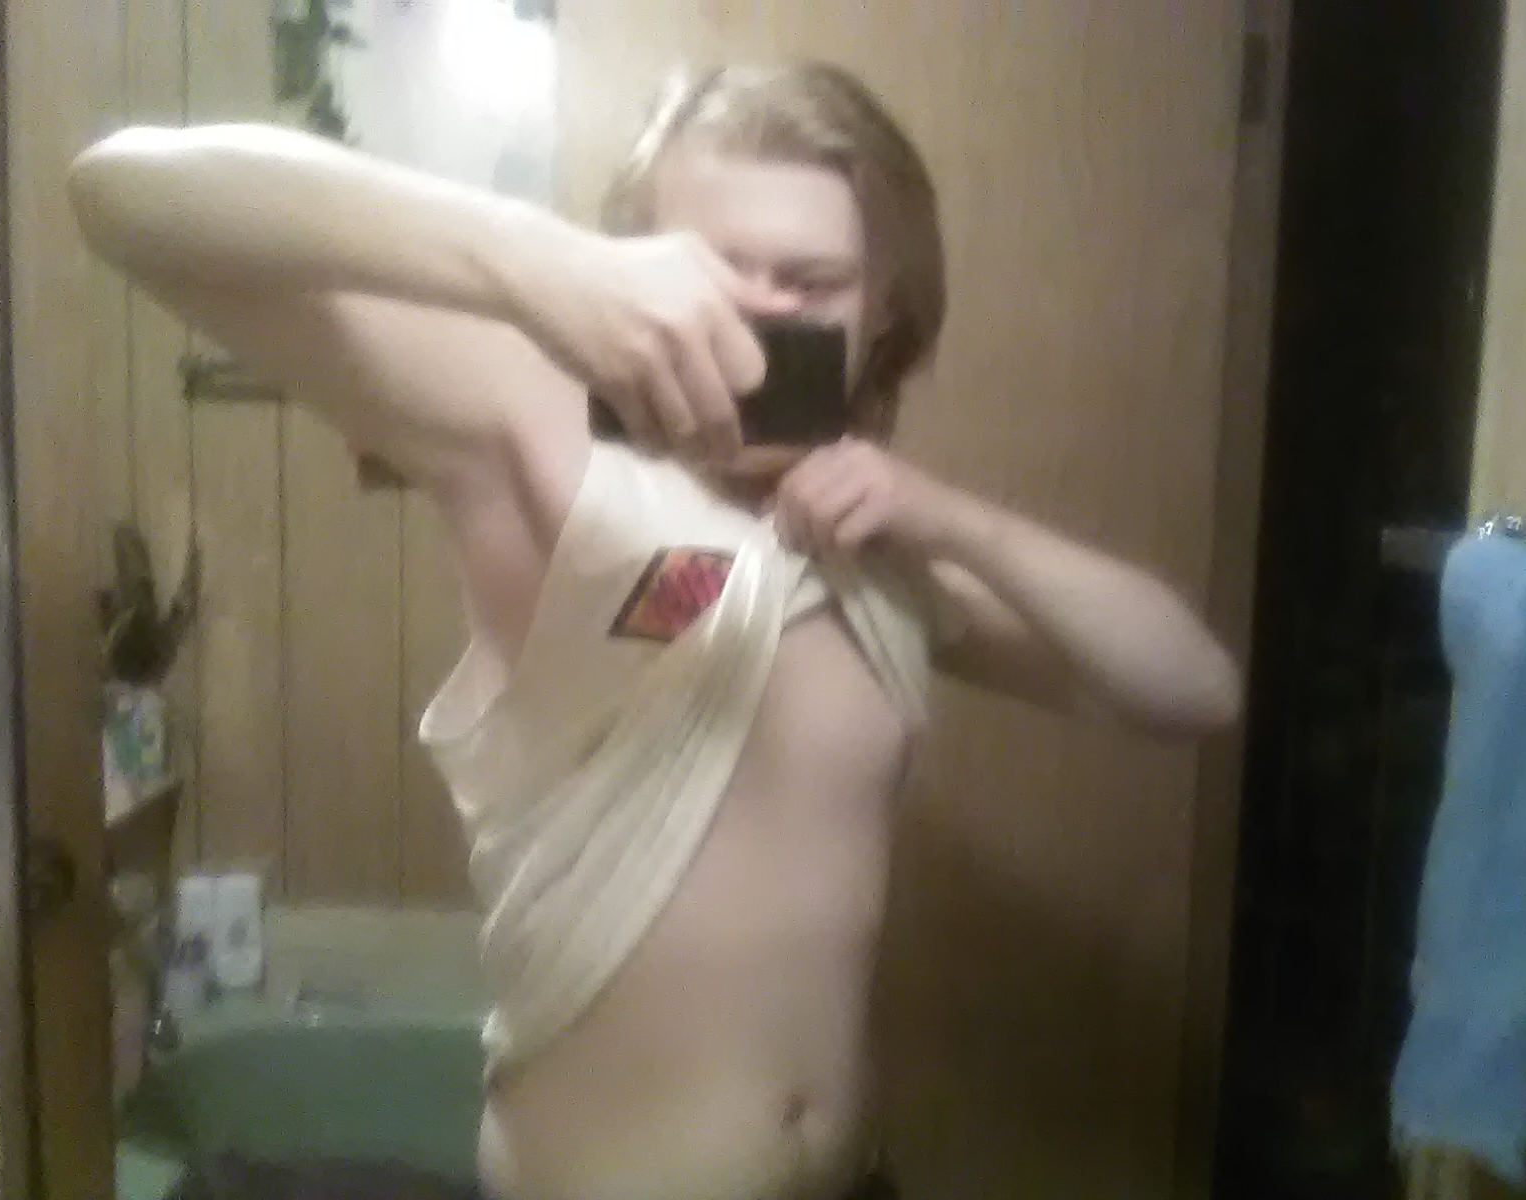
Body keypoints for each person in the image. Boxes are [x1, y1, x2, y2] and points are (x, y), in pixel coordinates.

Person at [70, 62, 1241, 1200]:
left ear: (882, 308)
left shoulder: (880, 562)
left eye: (813, 280)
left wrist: (948, 519)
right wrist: (545, 264)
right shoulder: (536, 449)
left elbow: (1193, 690)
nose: (761, 311)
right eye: (718, 271)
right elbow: (122, 193)